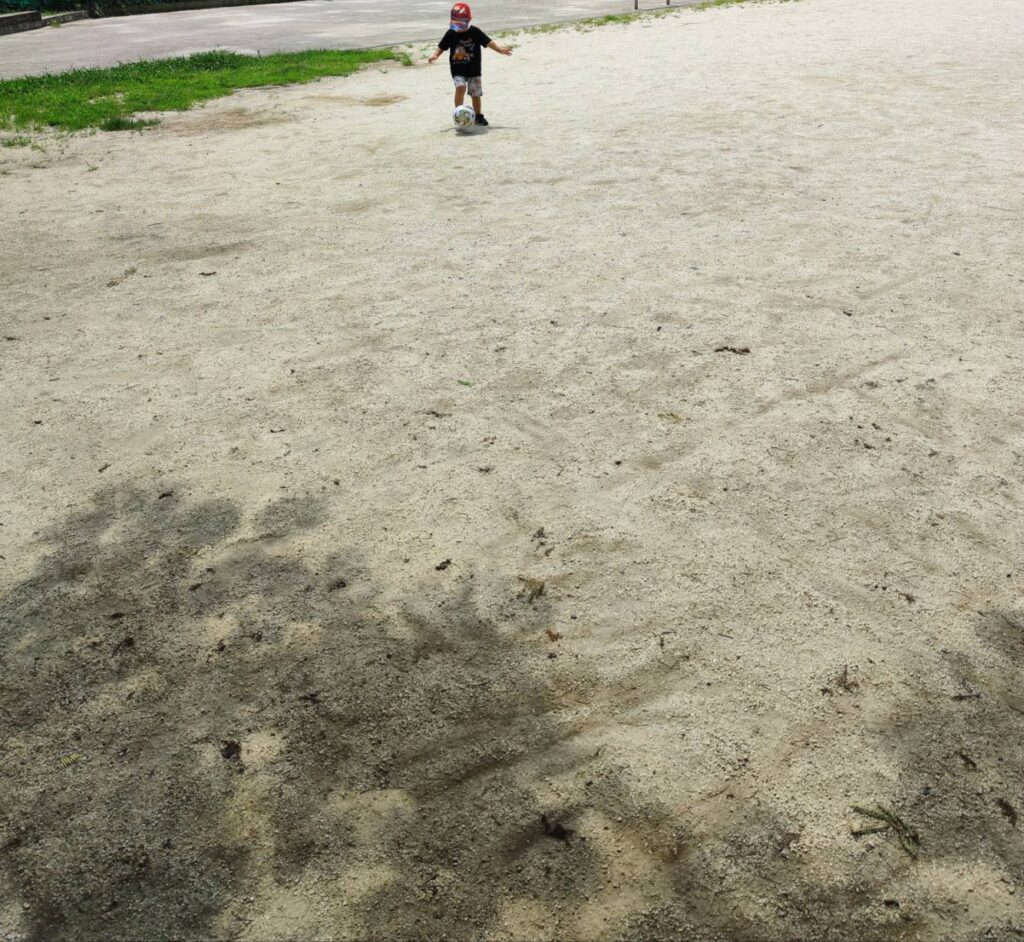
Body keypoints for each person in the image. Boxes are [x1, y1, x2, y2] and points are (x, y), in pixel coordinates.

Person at [428, 2, 512, 127]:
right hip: (458, 69)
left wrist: (500, 50)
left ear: (469, 19)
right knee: (460, 88)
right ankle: (459, 115)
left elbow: (488, 42)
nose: (459, 27)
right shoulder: (451, 33)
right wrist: (435, 55)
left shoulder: (475, 32)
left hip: (474, 70)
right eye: (456, 23)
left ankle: (478, 116)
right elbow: (442, 46)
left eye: (461, 23)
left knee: (476, 94)